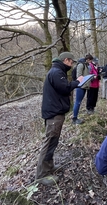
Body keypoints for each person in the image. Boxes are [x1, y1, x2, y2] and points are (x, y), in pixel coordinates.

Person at [36, 52, 83, 185]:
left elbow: (63, 88)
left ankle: (49, 167)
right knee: (49, 142)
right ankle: (42, 175)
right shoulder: (56, 72)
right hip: (53, 114)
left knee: (53, 142)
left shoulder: (57, 71)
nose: (72, 64)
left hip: (55, 112)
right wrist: (77, 82)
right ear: (66, 60)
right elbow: (64, 87)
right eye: (71, 62)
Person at [71, 54, 93, 124]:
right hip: (80, 86)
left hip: (84, 86)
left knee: (79, 102)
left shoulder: (86, 65)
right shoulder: (81, 65)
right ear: (88, 59)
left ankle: (75, 117)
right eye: (90, 60)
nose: (91, 62)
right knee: (77, 102)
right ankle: (74, 118)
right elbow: (79, 76)